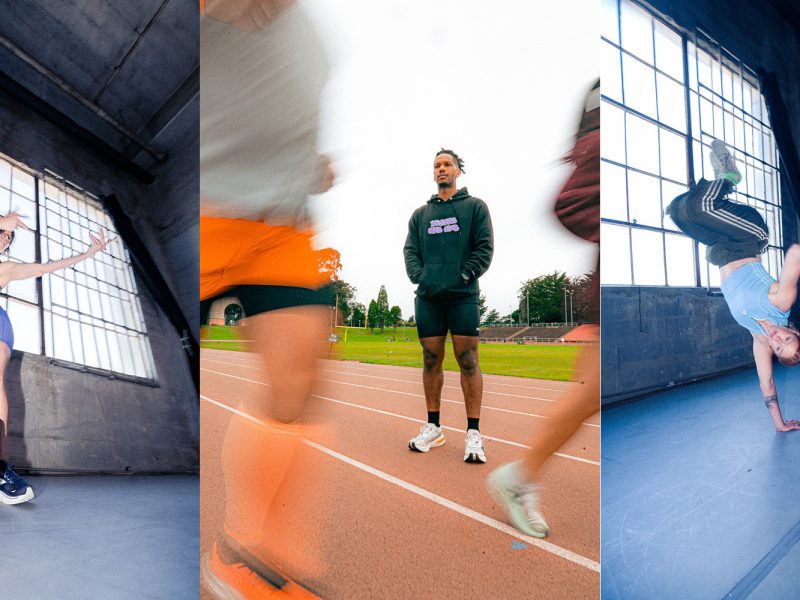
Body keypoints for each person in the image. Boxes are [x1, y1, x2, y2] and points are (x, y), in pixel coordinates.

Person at [200, 1, 332, 598]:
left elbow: (288, 131)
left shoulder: (315, 45)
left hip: (280, 224)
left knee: (298, 381)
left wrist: (313, 167)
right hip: (204, 210)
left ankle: (246, 547)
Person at [487, 79, 600, 537]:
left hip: (605, 283)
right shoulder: (603, 135)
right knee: (592, 393)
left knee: (591, 394)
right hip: (607, 284)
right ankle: (519, 477)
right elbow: (568, 204)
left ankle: (521, 477)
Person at [665, 140, 800, 432]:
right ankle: (729, 178)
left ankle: (721, 183)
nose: (778, 340)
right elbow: (796, 254)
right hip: (750, 238)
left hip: (721, 248)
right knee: (700, 206)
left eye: (779, 348)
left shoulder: (759, 340)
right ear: (793, 330)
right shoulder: (781, 303)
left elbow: (767, 385)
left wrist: (780, 425)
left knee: (678, 210)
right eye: (787, 339)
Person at [0, 214, 113, 505]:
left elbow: (46, 267)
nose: (6, 238)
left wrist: (87, 254)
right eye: (2, 232)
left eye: (8, 237)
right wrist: (3, 219)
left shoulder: (6, 269)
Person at [403, 149, 494, 463]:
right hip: (429, 297)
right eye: (437, 166)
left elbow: (484, 248)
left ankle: (474, 434)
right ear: (433, 174)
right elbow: (411, 251)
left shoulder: (475, 207)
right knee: (431, 359)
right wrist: (422, 278)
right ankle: (433, 427)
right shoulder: (420, 215)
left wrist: (464, 274)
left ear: (458, 171)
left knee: (467, 359)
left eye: (447, 164)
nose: (441, 169)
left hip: (462, 295)